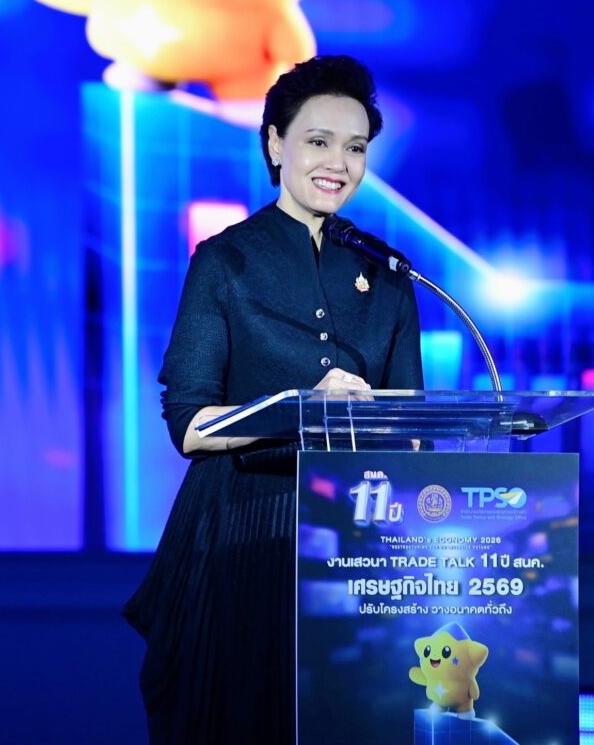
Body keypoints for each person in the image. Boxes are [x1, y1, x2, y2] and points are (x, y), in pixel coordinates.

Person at [123, 55, 424, 743]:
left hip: (355, 535)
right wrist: (300, 407)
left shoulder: (389, 274)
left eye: (355, 148)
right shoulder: (225, 260)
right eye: (319, 141)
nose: (338, 163)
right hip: (241, 530)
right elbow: (189, 423)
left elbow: (411, 428)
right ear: (275, 144)